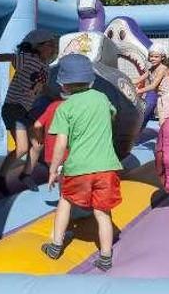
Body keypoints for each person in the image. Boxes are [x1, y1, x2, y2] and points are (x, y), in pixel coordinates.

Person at [42, 54, 122, 272]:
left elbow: (60, 144)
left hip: (78, 168)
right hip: (106, 167)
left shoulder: (65, 108)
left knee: (65, 201)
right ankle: (106, 257)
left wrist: (53, 169)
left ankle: (56, 246)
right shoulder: (102, 98)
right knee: (102, 211)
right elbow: (113, 116)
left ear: (63, 84)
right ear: (91, 80)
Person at [0, 29, 58, 194]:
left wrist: (58, 98)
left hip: (24, 110)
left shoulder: (46, 68)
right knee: (22, 148)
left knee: (37, 144)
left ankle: (26, 174)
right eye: (49, 45)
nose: (52, 49)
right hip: (13, 107)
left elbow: (43, 88)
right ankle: (0, 176)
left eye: (53, 46)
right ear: (38, 46)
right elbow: (9, 56)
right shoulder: (29, 59)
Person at [137, 47, 169, 124]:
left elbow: (153, 85)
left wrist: (138, 90)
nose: (153, 59)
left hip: (166, 98)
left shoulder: (165, 70)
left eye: (156, 57)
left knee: (163, 121)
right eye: (151, 56)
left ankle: (166, 134)